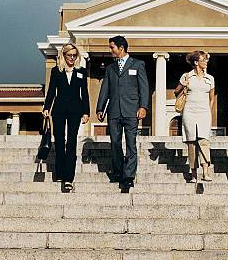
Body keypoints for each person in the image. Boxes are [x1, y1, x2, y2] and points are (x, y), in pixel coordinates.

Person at [96, 35, 149, 189]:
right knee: (115, 143)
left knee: (131, 144)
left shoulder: (138, 64)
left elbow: (144, 87)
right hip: (114, 111)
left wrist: (143, 107)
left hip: (132, 111)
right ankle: (118, 172)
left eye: (112, 47)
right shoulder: (110, 68)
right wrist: (100, 108)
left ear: (121, 48)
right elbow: (104, 88)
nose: (110, 50)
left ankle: (129, 176)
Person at [42, 43, 90, 193]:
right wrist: (46, 107)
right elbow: (51, 91)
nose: (72, 58)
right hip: (59, 110)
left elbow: (85, 93)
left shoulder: (81, 71)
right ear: (63, 55)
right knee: (60, 141)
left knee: (71, 141)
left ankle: (69, 177)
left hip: (76, 110)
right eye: (70, 55)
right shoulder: (56, 71)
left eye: (75, 55)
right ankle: (60, 173)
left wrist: (86, 112)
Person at [174, 50, 215, 182]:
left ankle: (206, 172)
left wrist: (209, 110)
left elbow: (211, 97)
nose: (206, 62)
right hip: (189, 111)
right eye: (204, 60)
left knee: (204, 141)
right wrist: (183, 86)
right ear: (196, 62)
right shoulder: (186, 76)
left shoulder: (210, 78)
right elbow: (176, 92)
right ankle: (193, 174)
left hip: (204, 112)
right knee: (191, 142)